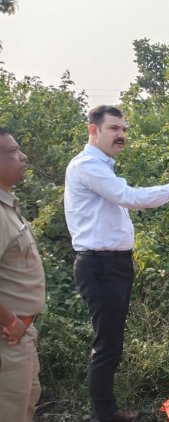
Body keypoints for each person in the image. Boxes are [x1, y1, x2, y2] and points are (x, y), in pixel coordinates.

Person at [64, 106, 169, 422]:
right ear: (93, 130)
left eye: (124, 129)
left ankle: (106, 411)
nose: (121, 135)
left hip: (110, 265)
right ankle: (104, 415)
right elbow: (131, 198)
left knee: (110, 342)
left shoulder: (100, 167)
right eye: (114, 128)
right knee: (107, 346)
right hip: (99, 266)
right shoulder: (88, 166)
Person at [0, 128, 46, 422]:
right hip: (9, 338)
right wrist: (11, 321)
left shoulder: (8, 205)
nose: (23, 156)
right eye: (12, 151)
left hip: (21, 334)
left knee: (25, 405)